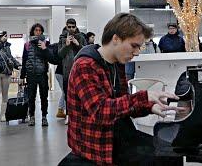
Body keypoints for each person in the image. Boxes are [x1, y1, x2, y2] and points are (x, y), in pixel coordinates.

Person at [59, 13, 183, 165]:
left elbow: (123, 107)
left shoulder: (117, 64)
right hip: (98, 146)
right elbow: (101, 112)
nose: (137, 53)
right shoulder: (85, 66)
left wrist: (150, 106)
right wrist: (144, 97)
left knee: (172, 153)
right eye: (134, 46)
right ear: (116, 39)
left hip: (117, 136)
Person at [20, 23, 56, 126]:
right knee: (31, 97)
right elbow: (24, 60)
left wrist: (44, 48)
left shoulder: (46, 43)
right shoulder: (27, 45)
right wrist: (22, 75)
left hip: (42, 74)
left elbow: (51, 57)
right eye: (36, 30)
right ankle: (32, 117)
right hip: (31, 74)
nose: (38, 32)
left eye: (40, 30)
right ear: (33, 32)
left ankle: (44, 117)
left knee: (44, 97)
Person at [58, 18, 87, 124]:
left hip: (80, 71)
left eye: (73, 27)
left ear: (76, 26)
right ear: (66, 26)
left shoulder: (81, 37)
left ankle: (81, 116)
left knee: (81, 94)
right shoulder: (62, 38)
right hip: (67, 71)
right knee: (67, 95)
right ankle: (68, 115)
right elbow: (60, 54)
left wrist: (77, 44)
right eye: (68, 27)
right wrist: (66, 45)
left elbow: (86, 51)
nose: (71, 29)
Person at [0, 31, 21, 122]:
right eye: (4, 36)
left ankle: (3, 115)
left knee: (5, 94)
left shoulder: (7, 47)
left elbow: (10, 58)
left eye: (6, 36)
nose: (6, 37)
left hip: (7, 73)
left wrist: (18, 65)